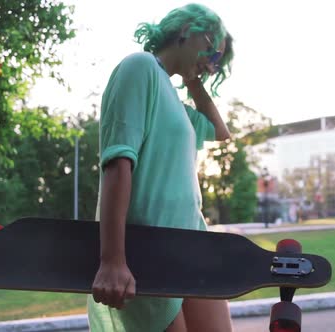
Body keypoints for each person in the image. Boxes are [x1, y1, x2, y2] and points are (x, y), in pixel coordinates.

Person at [87, 4, 234, 331]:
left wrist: (195, 83)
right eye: (211, 49)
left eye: (216, 60)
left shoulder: (174, 99)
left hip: (192, 243)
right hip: (145, 249)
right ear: (187, 31)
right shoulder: (140, 68)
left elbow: (220, 132)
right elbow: (118, 161)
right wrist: (112, 260)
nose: (212, 63)